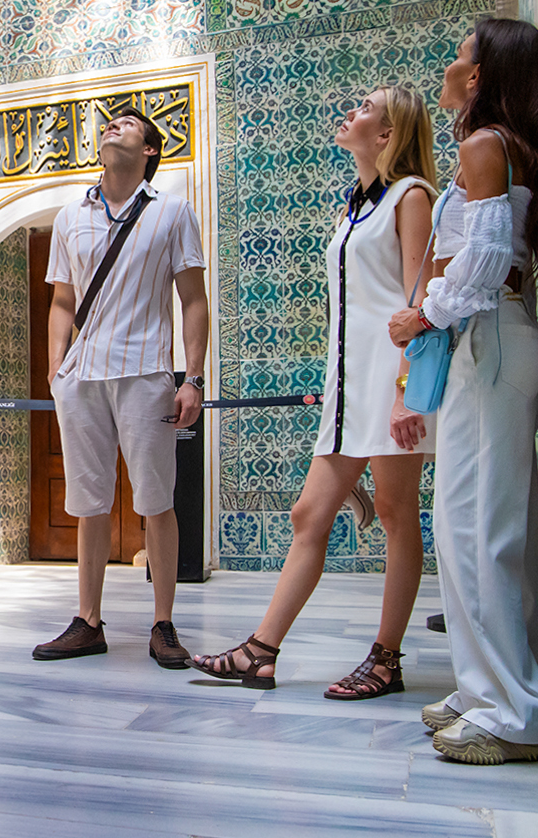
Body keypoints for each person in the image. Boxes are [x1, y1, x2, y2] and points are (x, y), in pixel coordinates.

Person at [188, 87, 438, 697]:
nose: (350, 111)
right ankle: (260, 652)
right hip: (349, 384)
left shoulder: (411, 197)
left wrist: (407, 393)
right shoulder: (354, 206)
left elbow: (420, 301)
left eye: (365, 108)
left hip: (392, 378)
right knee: (310, 514)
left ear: (387, 134)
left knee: (395, 512)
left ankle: (385, 659)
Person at [388, 18, 538, 764]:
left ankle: (516, 716)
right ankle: (484, 688)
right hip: (490, 345)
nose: (450, 63)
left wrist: (420, 313)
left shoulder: (485, 145)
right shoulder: (495, 149)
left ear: (485, 75)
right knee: (470, 524)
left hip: (491, 341)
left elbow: (488, 260)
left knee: (479, 532)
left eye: (462, 56)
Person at [31, 106, 210, 668]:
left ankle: (163, 623)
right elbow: (63, 300)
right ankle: (88, 621)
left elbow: (194, 300)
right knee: (89, 501)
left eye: (128, 125)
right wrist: (58, 368)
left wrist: (194, 378)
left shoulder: (174, 213)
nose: (113, 126)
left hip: (145, 373)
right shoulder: (70, 216)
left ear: (151, 150)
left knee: (156, 499)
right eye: (109, 125)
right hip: (82, 378)